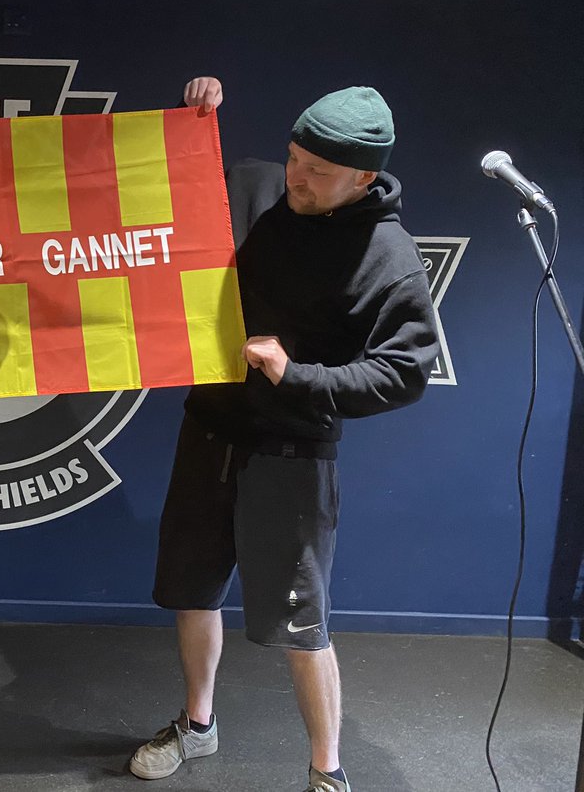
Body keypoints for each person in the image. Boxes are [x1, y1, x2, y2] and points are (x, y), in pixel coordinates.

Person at [128, 79, 439, 792]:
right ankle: (197, 725)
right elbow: (166, 196)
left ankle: (327, 770)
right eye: (294, 157)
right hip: (208, 433)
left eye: (318, 171)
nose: (295, 177)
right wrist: (192, 120)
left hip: (292, 453)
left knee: (304, 625)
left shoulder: (388, 256)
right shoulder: (258, 187)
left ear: (364, 177)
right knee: (192, 592)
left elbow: (403, 375)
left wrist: (295, 376)